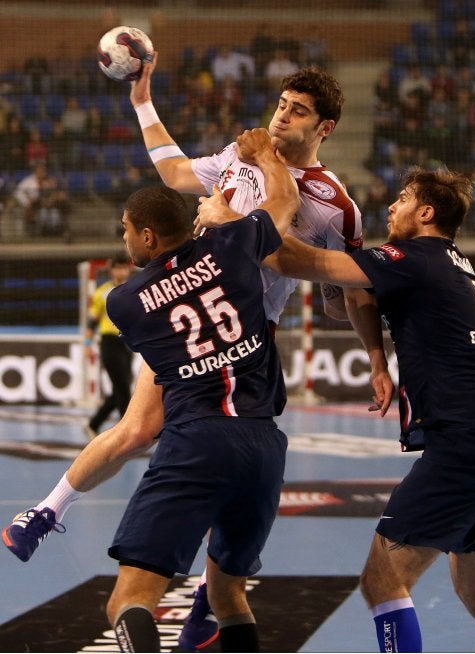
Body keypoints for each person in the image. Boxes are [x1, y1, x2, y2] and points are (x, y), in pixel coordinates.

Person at [2, 57, 393, 651]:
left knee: (183, 444)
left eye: (298, 111)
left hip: (247, 331)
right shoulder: (240, 156)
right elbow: (174, 169)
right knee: (142, 429)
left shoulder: (334, 204)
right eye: (281, 104)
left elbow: (345, 288)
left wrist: (375, 357)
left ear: (325, 128)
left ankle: (200, 592)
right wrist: (142, 100)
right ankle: (49, 513)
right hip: (192, 314)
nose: (282, 116)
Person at [247, 166, 475, 653]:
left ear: (426, 213)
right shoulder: (452, 263)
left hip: (464, 443)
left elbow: (288, 258)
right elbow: (348, 301)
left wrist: (236, 217)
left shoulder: (413, 258)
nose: (392, 207)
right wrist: (378, 359)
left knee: (382, 582)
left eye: (403, 199)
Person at [110, 129, 298, 652]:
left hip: (196, 440)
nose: (123, 239)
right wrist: (265, 156)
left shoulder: (124, 302)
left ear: (149, 237)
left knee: (128, 600)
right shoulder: (233, 245)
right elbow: (286, 201)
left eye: (126, 229)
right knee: (228, 597)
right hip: (263, 447)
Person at [84, 253, 134, 440]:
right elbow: (92, 321)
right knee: (123, 388)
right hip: (110, 342)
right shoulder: (102, 293)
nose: (121, 271)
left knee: (121, 388)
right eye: (117, 268)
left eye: (124, 267)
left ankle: (93, 424)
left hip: (128, 343)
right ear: (111, 270)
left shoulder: (134, 290)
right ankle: (126, 431)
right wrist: (87, 344)